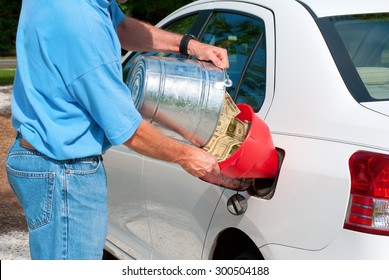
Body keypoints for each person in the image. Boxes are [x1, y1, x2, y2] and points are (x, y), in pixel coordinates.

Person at [5, 0, 229, 260]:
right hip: (65, 175)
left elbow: (120, 28)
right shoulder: (83, 29)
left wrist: (190, 46)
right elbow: (127, 128)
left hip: (40, 157)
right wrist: (186, 155)